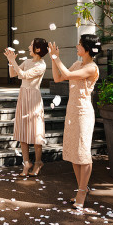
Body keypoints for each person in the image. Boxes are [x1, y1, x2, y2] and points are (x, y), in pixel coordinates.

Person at [48, 34, 100, 210]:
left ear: (87, 49)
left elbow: (68, 74)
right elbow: (58, 78)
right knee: (74, 153)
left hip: (84, 113)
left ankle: (82, 192)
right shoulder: (78, 64)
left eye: (79, 45)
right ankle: (81, 188)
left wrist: (57, 57)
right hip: (72, 111)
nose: (76, 47)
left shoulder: (92, 68)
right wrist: (53, 60)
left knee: (83, 152)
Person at [4, 38, 49, 176]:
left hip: (33, 99)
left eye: (31, 45)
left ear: (37, 49)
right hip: (23, 96)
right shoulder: (28, 61)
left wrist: (13, 61)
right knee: (23, 132)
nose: (29, 46)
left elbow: (23, 75)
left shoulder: (41, 65)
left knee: (36, 133)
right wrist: (10, 61)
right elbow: (13, 74)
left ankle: (38, 162)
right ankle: (26, 163)